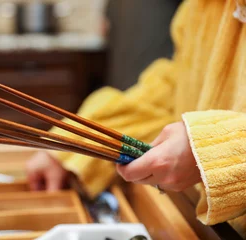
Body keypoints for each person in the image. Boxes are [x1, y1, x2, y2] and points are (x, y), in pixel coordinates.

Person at [26, 0, 246, 238]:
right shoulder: (203, 5)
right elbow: (175, 87)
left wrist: (216, 149)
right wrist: (75, 145)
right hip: (200, 224)